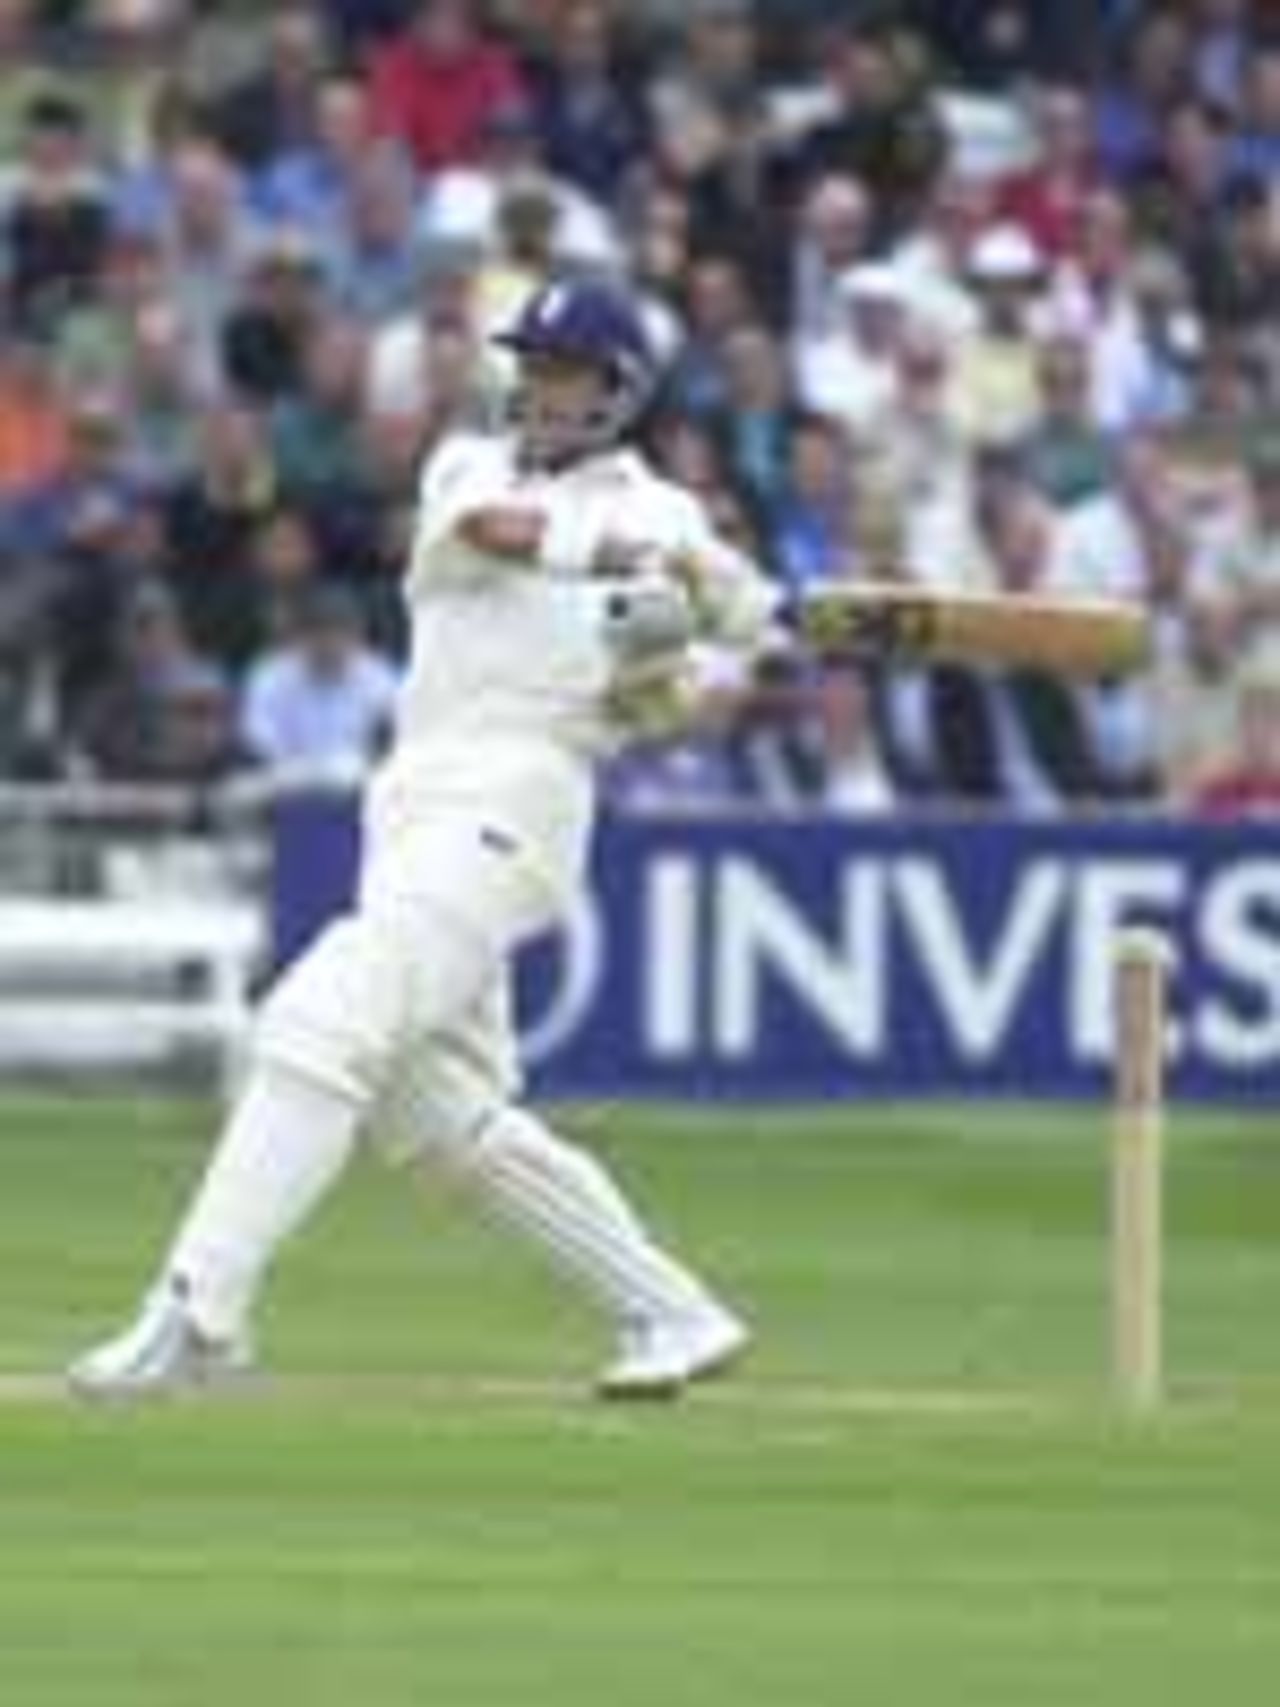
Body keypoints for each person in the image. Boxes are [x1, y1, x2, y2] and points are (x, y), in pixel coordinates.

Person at [68, 279, 779, 1402]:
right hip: (412, 806)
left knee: (314, 1021)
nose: (538, 388)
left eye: (565, 370)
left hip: (519, 802)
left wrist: (670, 660)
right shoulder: (471, 472)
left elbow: (656, 705)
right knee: (438, 1116)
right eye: (530, 364)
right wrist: (644, 563)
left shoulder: (674, 522)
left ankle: (196, 1315)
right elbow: (500, 538)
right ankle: (671, 1314)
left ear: (619, 391)